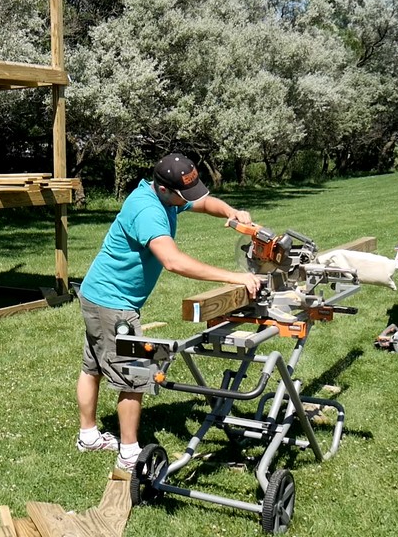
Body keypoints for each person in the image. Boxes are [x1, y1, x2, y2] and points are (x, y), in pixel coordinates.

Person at [75, 153, 261, 473]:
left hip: (97, 295)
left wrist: (231, 213)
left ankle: (88, 436)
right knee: (135, 374)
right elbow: (173, 261)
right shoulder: (148, 209)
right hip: (114, 303)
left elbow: (202, 202)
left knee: (92, 365)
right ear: (164, 189)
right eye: (181, 195)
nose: (186, 200)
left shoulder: (167, 196)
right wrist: (235, 277)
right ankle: (130, 453)